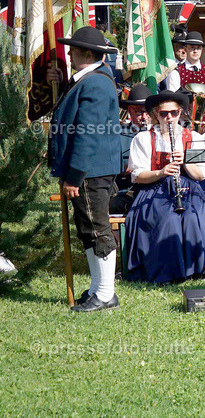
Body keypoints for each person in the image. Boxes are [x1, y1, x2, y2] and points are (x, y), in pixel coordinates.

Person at [48, 26, 123, 312]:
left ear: (87, 54)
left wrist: (74, 175)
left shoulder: (95, 83)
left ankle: (105, 294)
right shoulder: (90, 80)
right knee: (87, 228)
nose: (69, 54)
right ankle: (97, 288)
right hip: (90, 170)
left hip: (90, 170)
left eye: (73, 51)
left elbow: (87, 134)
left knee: (96, 228)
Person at [123, 90, 205, 284]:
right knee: (169, 219)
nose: (169, 117)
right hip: (155, 190)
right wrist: (162, 172)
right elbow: (138, 176)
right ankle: (167, 272)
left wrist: (186, 162)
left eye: (174, 113)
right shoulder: (144, 138)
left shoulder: (194, 137)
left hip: (188, 188)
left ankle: (196, 269)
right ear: (156, 114)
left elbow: (202, 175)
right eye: (164, 113)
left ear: (181, 113)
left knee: (191, 217)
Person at [110, 84, 152, 216]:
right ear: (129, 110)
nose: (144, 117)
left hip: (156, 188)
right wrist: (123, 170)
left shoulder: (160, 133)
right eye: (139, 112)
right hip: (128, 190)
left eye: (147, 111)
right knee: (112, 205)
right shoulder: (118, 135)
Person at [165, 31, 205, 96]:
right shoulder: (175, 73)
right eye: (192, 48)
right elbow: (173, 98)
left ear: (202, 50)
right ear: (185, 49)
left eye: (198, 48)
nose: (195, 51)